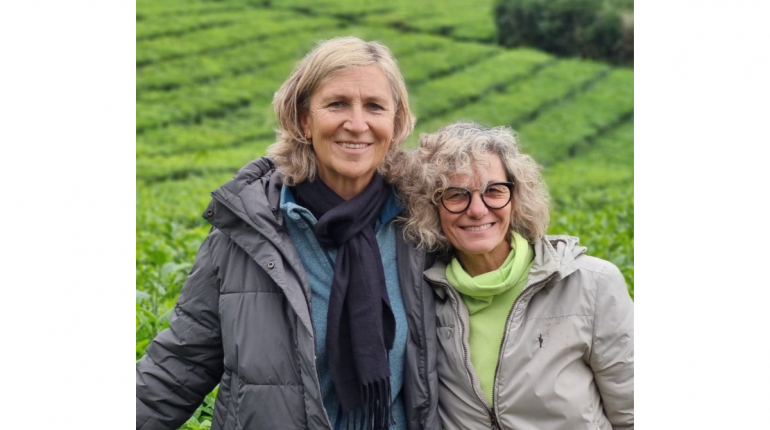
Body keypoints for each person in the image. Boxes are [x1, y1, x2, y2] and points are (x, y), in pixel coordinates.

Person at [136, 37, 440, 430]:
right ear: (304, 120)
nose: (357, 123)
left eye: (375, 107)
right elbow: (179, 366)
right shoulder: (250, 229)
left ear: (395, 123)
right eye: (337, 104)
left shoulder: (423, 225)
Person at [399, 122, 634, 430]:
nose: (477, 210)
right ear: (432, 207)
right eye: (456, 195)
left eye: (494, 191)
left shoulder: (593, 284)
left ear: (516, 197)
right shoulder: (422, 297)